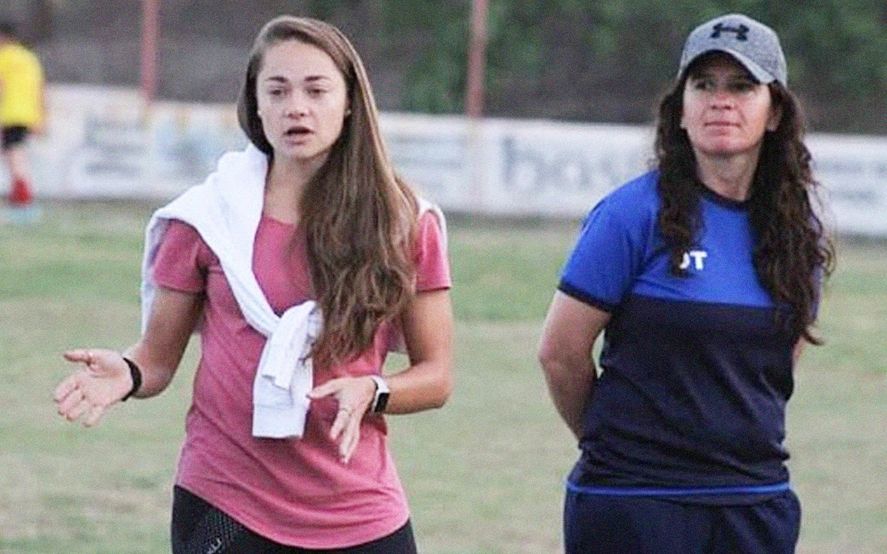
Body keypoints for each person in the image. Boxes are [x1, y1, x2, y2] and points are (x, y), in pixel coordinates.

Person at [53, 15, 453, 553]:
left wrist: (375, 390)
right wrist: (126, 372)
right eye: (278, 90)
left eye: (316, 90)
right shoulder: (203, 220)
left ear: (351, 101)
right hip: (226, 501)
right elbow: (157, 358)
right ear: (255, 105)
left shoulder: (405, 223)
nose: (297, 108)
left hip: (359, 511)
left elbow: (436, 376)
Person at [538, 13, 834, 554]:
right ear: (680, 111)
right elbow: (561, 353)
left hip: (754, 503)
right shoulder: (630, 215)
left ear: (774, 114)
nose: (721, 100)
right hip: (635, 504)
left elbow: (773, 367)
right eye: (704, 85)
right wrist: (615, 447)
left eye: (742, 86)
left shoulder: (798, 234)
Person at [0, 20, 45, 207]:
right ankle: (20, 195)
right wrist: (41, 117)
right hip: (29, 113)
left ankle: (22, 197)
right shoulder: (29, 58)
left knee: (14, 155)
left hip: (9, 112)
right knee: (17, 153)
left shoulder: (4, 57)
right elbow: (40, 88)